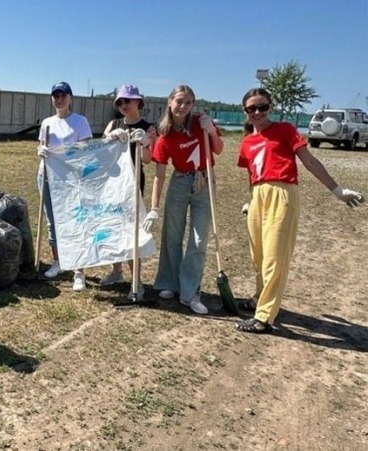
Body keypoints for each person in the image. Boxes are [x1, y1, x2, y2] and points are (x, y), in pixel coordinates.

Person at [235, 88, 364, 333]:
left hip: (282, 194)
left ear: (270, 107)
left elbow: (310, 161)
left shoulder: (285, 130)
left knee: (275, 256)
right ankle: (259, 297)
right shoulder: (248, 141)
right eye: (252, 108)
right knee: (258, 256)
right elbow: (251, 174)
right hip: (258, 196)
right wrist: (250, 199)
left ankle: (263, 317)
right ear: (246, 111)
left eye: (262, 106)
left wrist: (337, 190)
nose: (258, 112)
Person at [145, 85, 223, 315]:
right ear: (170, 102)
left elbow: (218, 149)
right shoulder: (165, 134)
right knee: (173, 236)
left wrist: (211, 132)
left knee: (198, 241)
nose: (183, 106)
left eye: (188, 102)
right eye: (179, 101)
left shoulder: (201, 122)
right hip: (179, 183)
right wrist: (154, 207)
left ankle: (190, 293)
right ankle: (170, 283)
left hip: (204, 180)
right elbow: (159, 174)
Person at [99, 85, 157, 299]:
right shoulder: (113, 124)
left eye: (128, 101)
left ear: (138, 102)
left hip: (133, 185)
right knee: (114, 228)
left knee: (132, 232)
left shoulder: (148, 127)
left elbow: (148, 160)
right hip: (112, 184)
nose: (124, 105)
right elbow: (101, 153)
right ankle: (116, 271)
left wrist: (145, 143)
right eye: (120, 102)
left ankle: (137, 281)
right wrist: (110, 137)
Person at [37, 81, 93, 291]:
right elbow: (42, 144)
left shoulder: (80, 122)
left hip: (70, 180)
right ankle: (59, 261)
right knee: (53, 222)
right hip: (47, 177)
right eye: (55, 96)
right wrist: (41, 150)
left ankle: (79, 270)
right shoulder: (47, 123)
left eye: (63, 96)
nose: (59, 100)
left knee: (74, 222)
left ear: (70, 98)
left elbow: (86, 150)